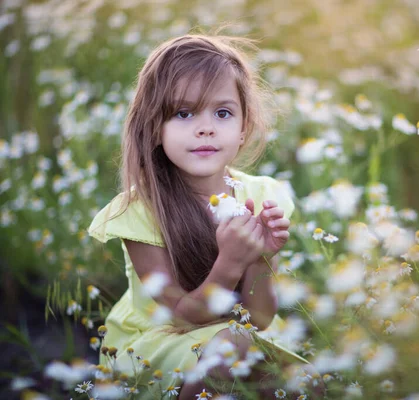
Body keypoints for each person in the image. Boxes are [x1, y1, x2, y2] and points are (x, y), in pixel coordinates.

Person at [88, 33, 317, 399]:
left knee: (307, 385)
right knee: (234, 345)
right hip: (158, 341)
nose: (206, 127)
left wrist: (260, 259)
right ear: (154, 128)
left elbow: (259, 319)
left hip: (232, 334)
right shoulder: (140, 211)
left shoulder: (260, 196)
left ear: (243, 128)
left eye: (223, 113)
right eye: (183, 113)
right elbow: (179, 316)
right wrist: (229, 262)